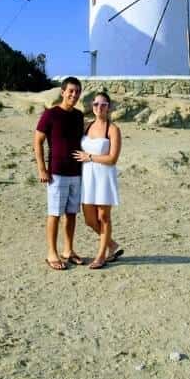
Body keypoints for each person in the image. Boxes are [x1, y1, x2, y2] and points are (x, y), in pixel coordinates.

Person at [34, 77, 85, 270]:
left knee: (71, 214)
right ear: (62, 92)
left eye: (77, 91)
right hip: (57, 173)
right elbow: (37, 141)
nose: (74, 94)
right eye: (71, 91)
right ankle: (51, 253)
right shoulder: (50, 114)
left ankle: (68, 251)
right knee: (54, 213)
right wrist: (42, 169)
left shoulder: (79, 116)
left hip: (76, 172)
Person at [73, 91, 123, 269]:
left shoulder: (113, 129)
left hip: (103, 176)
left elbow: (112, 159)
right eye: (96, 104)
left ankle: (101, 256)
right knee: (89, 220)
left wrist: (90, 157)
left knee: (104, 217)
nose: (99, 107)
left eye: (103, 104)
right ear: (92, 106)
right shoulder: (86, 126)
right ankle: (112, 245)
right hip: (87, 177)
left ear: (109, 107)